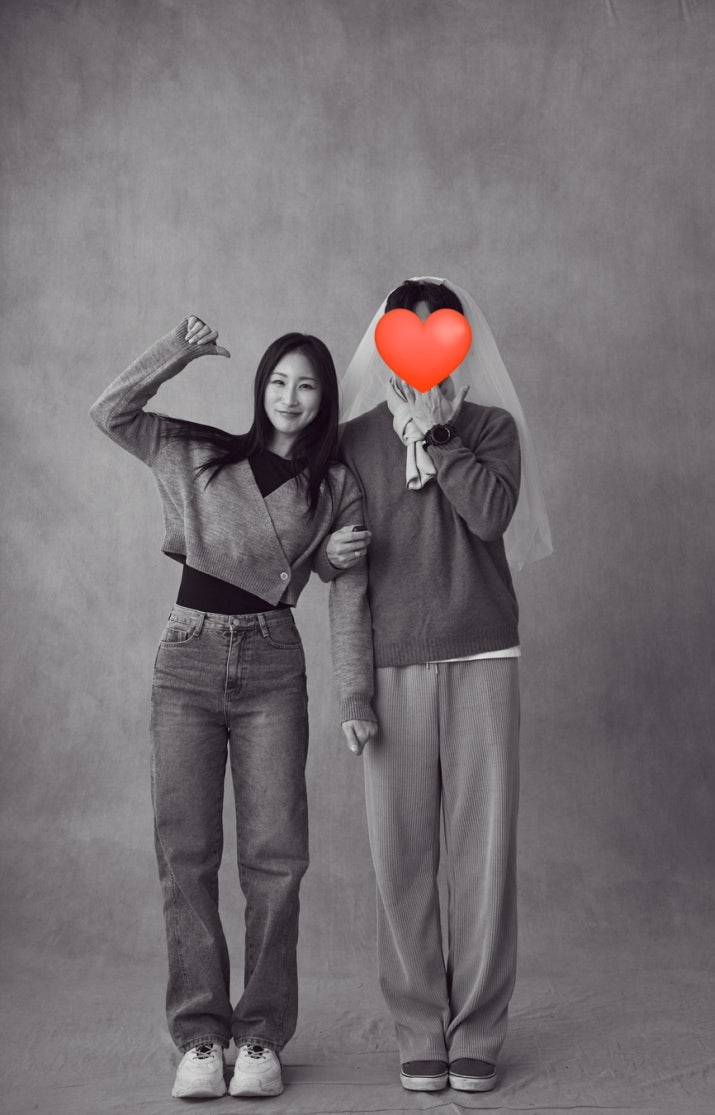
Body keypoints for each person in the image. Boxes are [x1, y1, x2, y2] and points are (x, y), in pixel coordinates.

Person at [90, 315, 375, 1100]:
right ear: (261, 388)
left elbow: (348, 598)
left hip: (273, 664)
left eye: (306, 385)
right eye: (278, 380)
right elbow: (110, 411)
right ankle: (198, 1035)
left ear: (324, 400)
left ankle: (260, 1037)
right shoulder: (200, 452)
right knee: (184, 851)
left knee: (277, 858)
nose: (289, 396)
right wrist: (175, 352)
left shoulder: (336, 486)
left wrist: (355, 694)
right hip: (186, 657)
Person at [322, 278, 551, 1094]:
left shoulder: (491, 429)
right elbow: (344, 576)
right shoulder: (351, 443)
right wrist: (353, 692)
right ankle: (419, 1025)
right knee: (400, 854)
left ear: (459, 343)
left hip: (483, 656)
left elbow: (488, 517)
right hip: (389, 667)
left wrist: (438, 433)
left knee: (483, 854)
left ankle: (478, 1029)